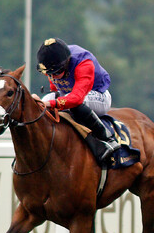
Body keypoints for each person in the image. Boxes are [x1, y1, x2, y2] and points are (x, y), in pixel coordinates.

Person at [36, 38, 120, 166]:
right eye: (48, 73)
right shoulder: (55, 65)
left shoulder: (84, 63)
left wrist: (52, 104)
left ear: (66, 63)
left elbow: (76, 98)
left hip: (97, 96)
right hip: (71, 94)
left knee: (73, 103)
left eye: (56, 73)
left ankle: (107, 140)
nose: (52, 77)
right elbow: (55, 89)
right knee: (44, 100)